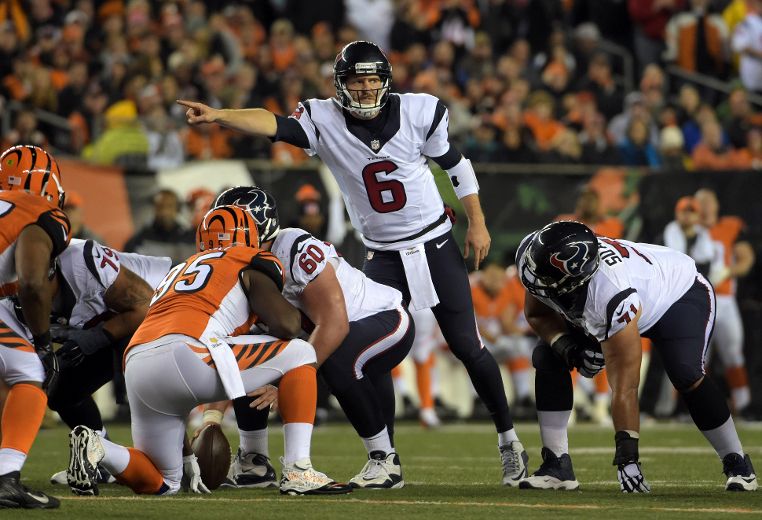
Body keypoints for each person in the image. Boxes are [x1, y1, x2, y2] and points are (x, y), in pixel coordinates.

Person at [178, 40, 528, 484]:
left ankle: (509, 440)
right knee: (367, 353)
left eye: (372, 80)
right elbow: (275, 125)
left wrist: (476, 222)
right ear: (340, 85)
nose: (365, 89)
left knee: (466, 344)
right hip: (382, 254)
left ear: (385, 81)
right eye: (357, 81)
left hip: (434, 244)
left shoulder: (420, 111)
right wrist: (220, 114)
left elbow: (457, 166)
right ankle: (387, 457)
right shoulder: (324, 119)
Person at [66, 206, 351, 497]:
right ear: (250, 236)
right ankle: (298, 470)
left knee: (164, 482)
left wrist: (188, 453)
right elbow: (287, 325)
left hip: (138, 362)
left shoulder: (179, 270)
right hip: (190, 352)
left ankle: (98, 447)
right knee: (302, 351)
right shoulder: (248, 258)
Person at [516, 221, 757, 492]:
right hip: (629, 290)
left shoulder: (609, 293)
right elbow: (537, 313)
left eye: (550, 282)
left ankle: (739, 464)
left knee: (686, 373)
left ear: (576, 281)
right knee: (548, 354)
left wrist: (627, 458)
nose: (540, 285)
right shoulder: (536, 255)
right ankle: (556, 465)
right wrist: (567, 348)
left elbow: (626, 386)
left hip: (678, 296)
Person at [205, 186, 415, 489]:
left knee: (338, 360)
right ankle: (254, 462)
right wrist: (211, 417)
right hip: (329, 331)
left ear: (259, 226)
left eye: (235, 225)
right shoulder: (236, 264)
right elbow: (230, 348)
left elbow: (334, 324)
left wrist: (289, 383)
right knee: (247, 353)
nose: (226, 235)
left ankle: (384, 460)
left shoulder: (293, 247)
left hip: (382, 317)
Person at [32, 238, 172, 485]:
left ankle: (189, 461)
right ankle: (101, 460)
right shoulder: (12, 289)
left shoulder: (80, 261)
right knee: (62, 390)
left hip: (165, 306)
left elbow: (146, 306)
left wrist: (97, 336)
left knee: (148, 389)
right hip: (121, 322)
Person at [0, 144, 72, 509]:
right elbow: (31, 283)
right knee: (29, 368)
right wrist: (44, 343)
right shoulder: (41, 210)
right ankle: (5, 478)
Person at [694, 188, 756, 417]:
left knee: (733, 355)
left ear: (718, 205)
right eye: (702, 202)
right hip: (697, 300)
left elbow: (746, 259)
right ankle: (701, 408)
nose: (706, 206)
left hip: (725, 300)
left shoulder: (731, 226)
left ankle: (743, 406)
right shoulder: (689, 230)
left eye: (710, 201)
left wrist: (729, 271)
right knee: (697, 359)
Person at [124, 188, 196, 265]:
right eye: (160, 206)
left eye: (169, 206)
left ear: (178, 209)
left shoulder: (191, 238)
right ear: (154, 208)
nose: (164, 211)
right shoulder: (139, 242)